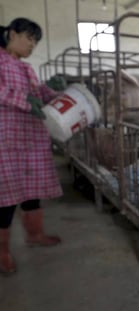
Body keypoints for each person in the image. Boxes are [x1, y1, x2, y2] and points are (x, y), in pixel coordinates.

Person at [0, 17, 65, 275]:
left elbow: (38, 96)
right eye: (28, 38)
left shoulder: (26, 68)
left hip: (31, 137)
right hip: (6, 138)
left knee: (30, 189)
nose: (32, 45)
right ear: (12, 33)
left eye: (35, 42)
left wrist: (53, 90)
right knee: (6, 196)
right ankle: (2, 251)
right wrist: (25, 99)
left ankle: (35, 234)